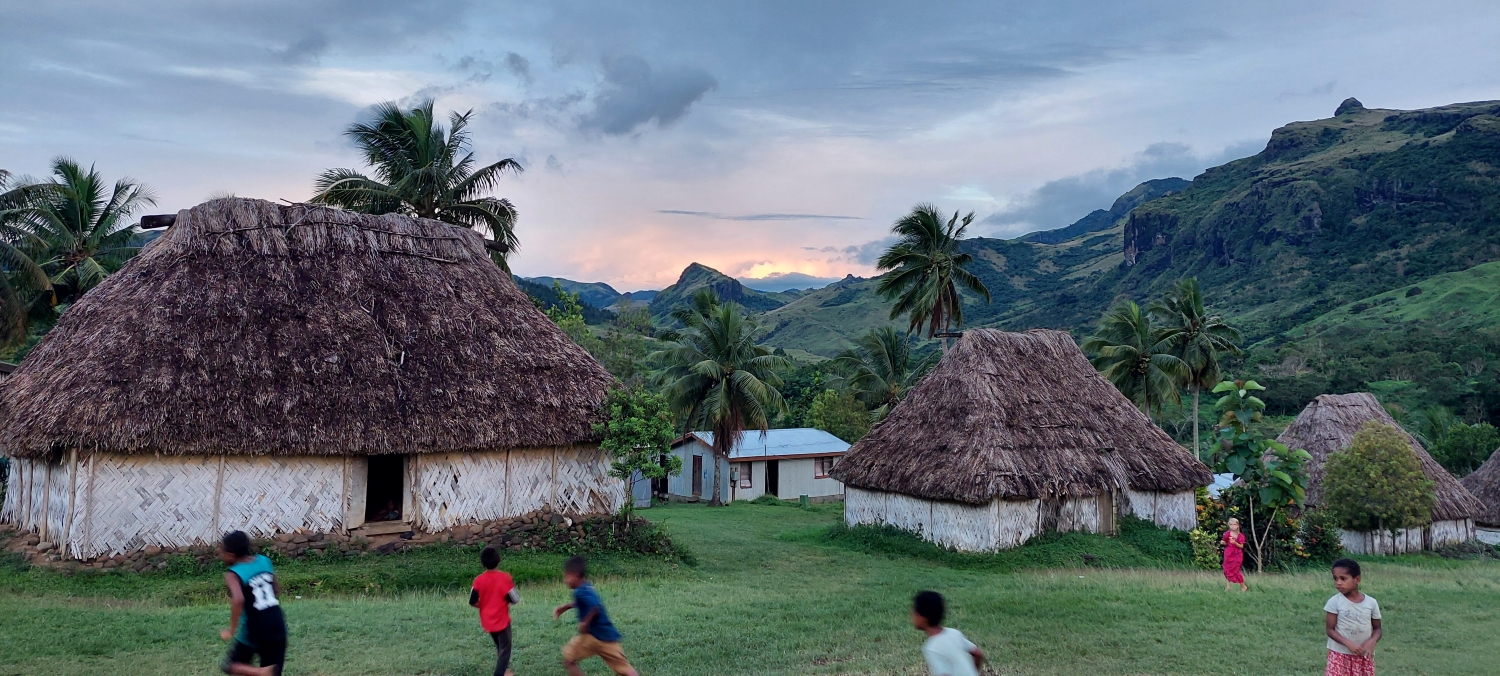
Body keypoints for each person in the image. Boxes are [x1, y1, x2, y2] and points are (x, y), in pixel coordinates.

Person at [553, 555, 638, 676]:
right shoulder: (586, 587)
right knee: (569, 659)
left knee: (569, 660)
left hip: (598, 637)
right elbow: (586, 603)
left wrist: (585, 623)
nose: (564, 580)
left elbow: (595, 606)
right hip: (599, 636)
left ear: (575, 575)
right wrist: (565, 607)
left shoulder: (580, 591)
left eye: (566, 576)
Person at [218, 530, 287, 676]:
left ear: (231, 555)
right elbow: (275, 587)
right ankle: (264, 672)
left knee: (230, 665)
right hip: (278, 623)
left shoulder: (233, 574)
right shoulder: (264, 560)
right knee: (273, 672)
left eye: (222, 551)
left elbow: (238, 599)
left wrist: (230, 630)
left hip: (255, 628)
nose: (221, 554)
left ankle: (260, 672)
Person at [1324, 558, 1382, 676]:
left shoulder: (1371, 603)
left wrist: (1372, 641)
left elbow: (1377, 629)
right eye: (1335, 578)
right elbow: (1330, 630)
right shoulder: (1334, 602)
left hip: (1363, 655)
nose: (1338, 583)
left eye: (1343, 579)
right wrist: (1347, 643)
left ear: (1357, 579)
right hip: (1339, 655)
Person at [470, 546, 521, 676]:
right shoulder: (505, 578)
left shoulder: (478, 580)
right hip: (502, 621)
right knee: (505, 650)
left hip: (487, 621)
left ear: (482, 564)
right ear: (499, 559)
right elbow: (515, 599)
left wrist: (485, 606)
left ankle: (506, 672)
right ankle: (500, 673)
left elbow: (472, 601)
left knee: (500, 645)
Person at [911, 590, 984, 676]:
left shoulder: (932, 648)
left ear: (923, 618)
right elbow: (978, 654)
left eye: (914, 613)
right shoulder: (954, 633)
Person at [1222, 517, 1248, 592]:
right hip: (1228, 553)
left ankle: (1243, 586)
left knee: (1236, 570)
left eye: (1234, 524)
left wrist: (1235, 543)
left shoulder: (1241, 536)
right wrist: (1223, 543)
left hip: (1237, 555)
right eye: (1231, 524)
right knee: (1227, 569)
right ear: (1229, 525)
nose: (1233, 526)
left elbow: (1241, 546)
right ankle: (1228, 586)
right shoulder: (1227, 534)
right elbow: (1225, 542)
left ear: (1237, 526)